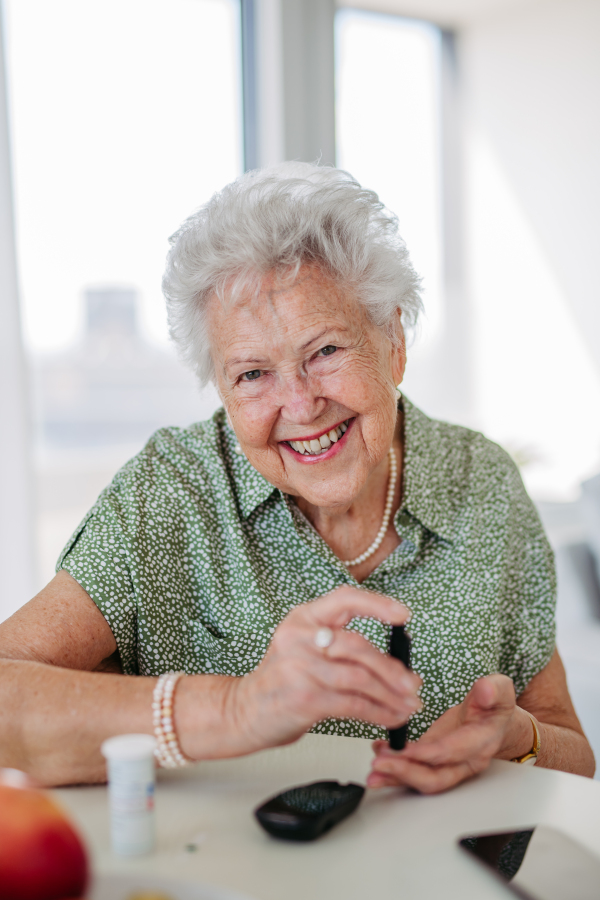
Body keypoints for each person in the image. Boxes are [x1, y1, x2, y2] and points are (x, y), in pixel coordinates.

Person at [0, 163, 594, 789]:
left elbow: (574, 754)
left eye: (326, 352)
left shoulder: (482, 481)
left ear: (392, 338)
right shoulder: (169, 493)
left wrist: (516, 738)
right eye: (253, 374)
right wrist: (239, 708)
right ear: (223, 389)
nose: (302, 405)